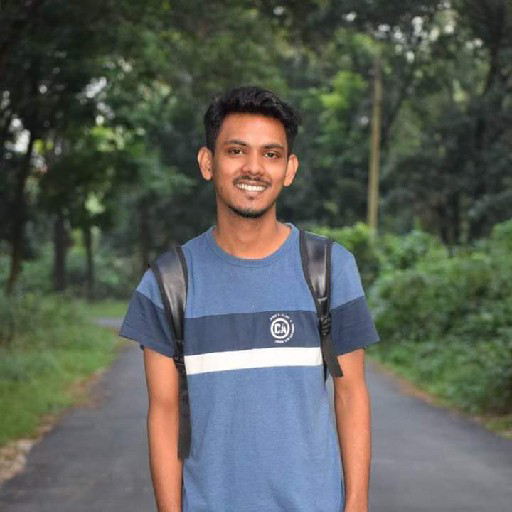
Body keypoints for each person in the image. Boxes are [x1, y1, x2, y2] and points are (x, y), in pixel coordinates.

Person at [119, 85, 380, 512]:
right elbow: (163, 415)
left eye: (271, 154)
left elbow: (351, 396)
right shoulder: (168, 282)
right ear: (208, 162)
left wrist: (356, 505)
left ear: (289, 169)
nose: (254, 168)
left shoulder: (330, 268)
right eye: (236, 151)